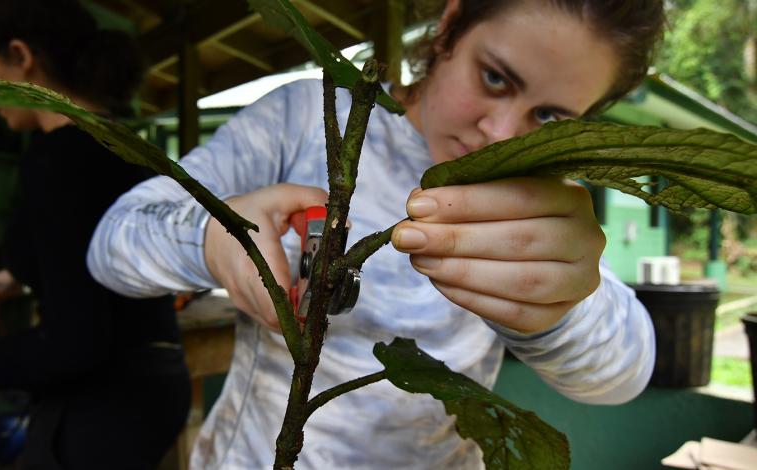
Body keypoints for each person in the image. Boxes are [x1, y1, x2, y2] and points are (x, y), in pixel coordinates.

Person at [88, 0, 665, 468]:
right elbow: (114, 242)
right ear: (447, 28)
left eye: (549, 118)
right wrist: (214, 236)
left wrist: (560, 306)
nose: (501, 133)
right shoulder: (299, 119)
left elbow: (625, 372)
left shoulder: (529, 197)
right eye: (493, 78)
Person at [0, 0, 191, 468]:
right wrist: (16, 278)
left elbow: (74, 342)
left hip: (105, 402)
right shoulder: (118, 144)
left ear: (21, 56)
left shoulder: (57, 160)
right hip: (157, 380)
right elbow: (97, 250)